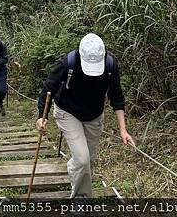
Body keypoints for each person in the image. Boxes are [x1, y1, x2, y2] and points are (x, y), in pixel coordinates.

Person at [36, 33, 134, 199]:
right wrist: (41, 116)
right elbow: (49, 88)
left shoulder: (110, 65)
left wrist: (123, 130)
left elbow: (116, 97)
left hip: (94, 115)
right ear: (81, 56)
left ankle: (77, 175)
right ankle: (81, 198)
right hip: (67, 112)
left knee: (88, 160)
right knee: (82, 159)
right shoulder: (68, 63)